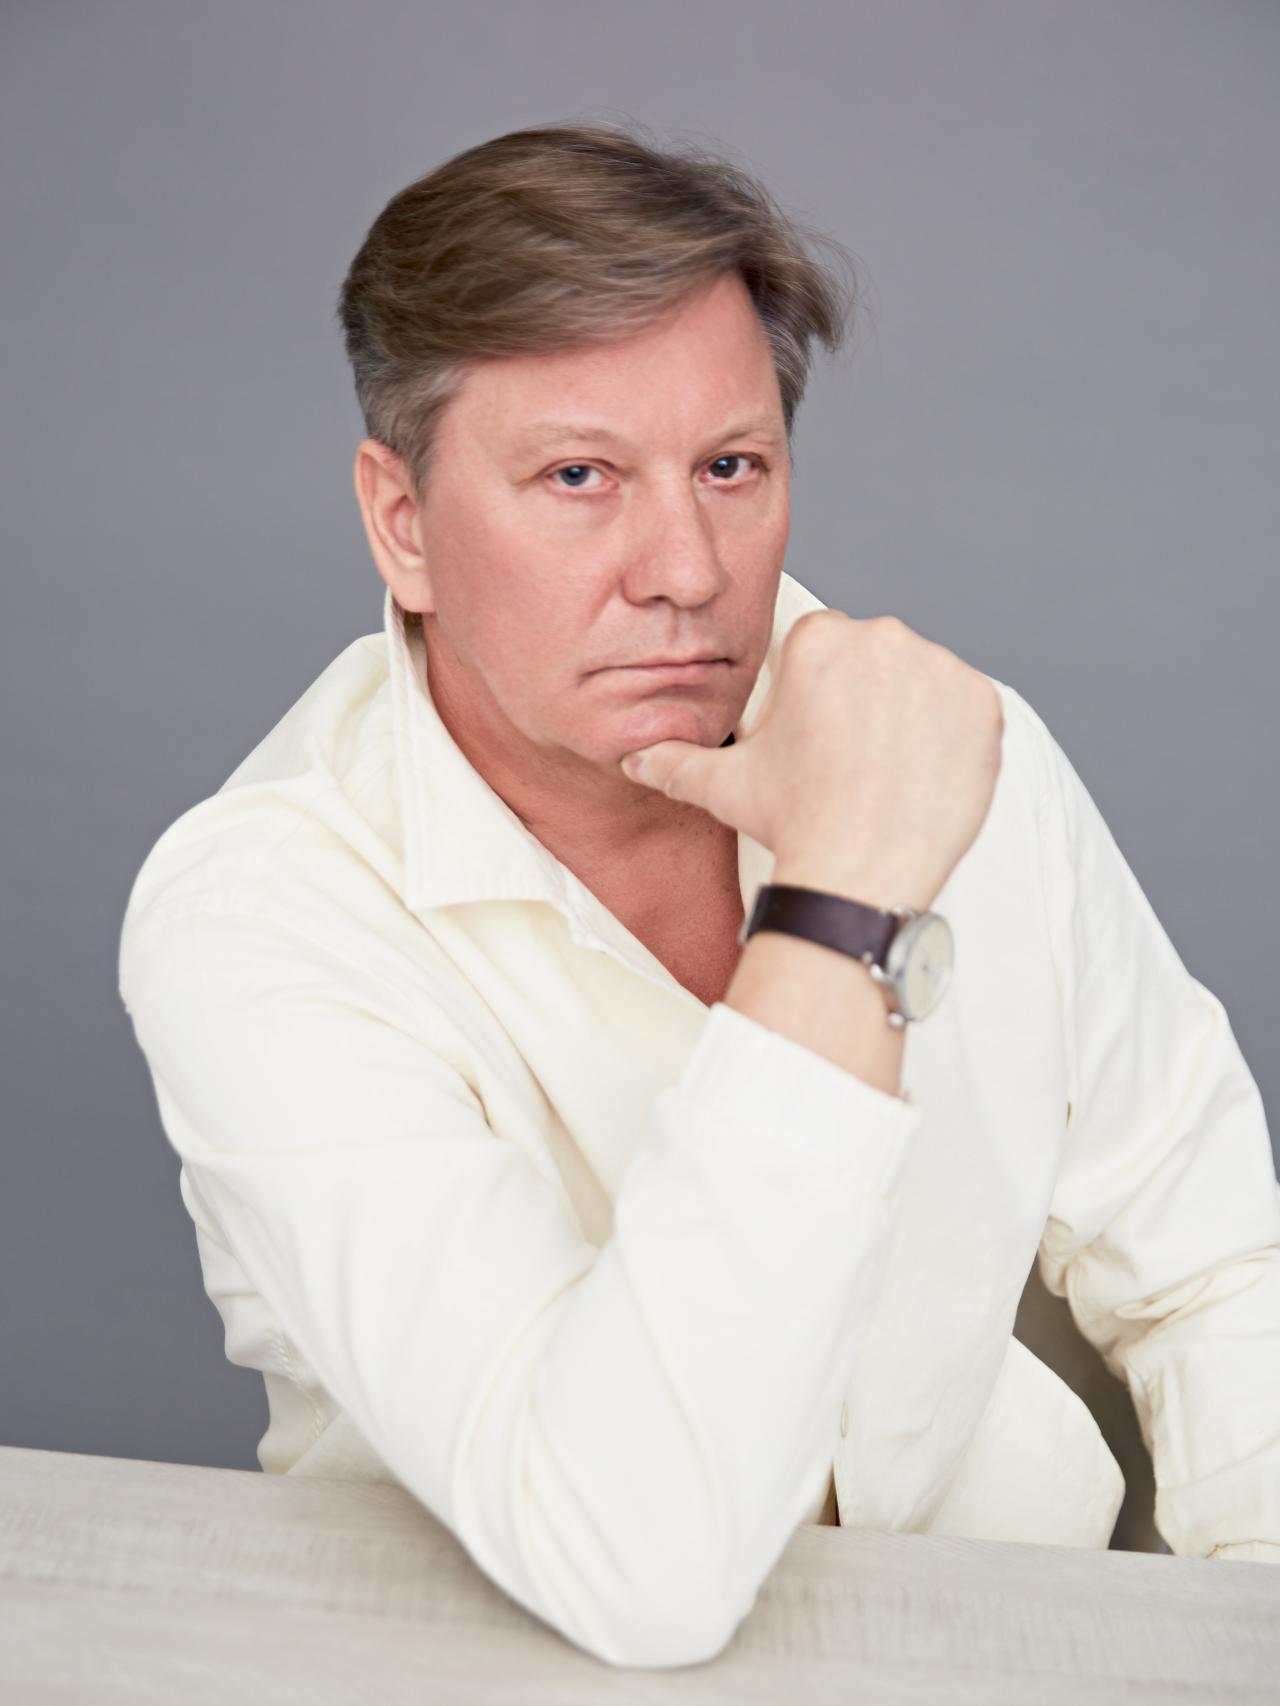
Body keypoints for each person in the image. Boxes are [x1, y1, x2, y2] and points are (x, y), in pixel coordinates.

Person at [116, 120, 1280, 1670]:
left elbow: (1216, 1263)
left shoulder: (947, 742)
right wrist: (843, 903)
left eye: (731, 467)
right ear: (403, 522)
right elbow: (640, 1563)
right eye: (579, 476)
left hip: (987, 1638)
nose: (684, 567)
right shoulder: (255, 913)